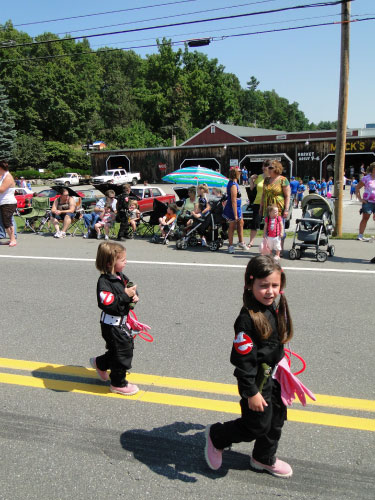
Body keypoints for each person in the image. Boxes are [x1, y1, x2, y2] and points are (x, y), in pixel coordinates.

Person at [204, 255, 293, 478]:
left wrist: (282, 365)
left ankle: (263, 458)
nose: (270, 291)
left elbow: (274, 345)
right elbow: (243, 362)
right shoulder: (247, 319)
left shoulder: (274, 307)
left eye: (275, 285)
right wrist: (251, 392)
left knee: (276, 419)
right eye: (263, 286)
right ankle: (217, 436)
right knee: (255, 425)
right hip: (255, 381)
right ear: (249, 284)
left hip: (273, 377)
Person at [91, 242, 139, 396]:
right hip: (111, 325)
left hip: (121, 322)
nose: (126, 262)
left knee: (117, 350)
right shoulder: (104, 283)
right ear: (110, 262)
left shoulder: (120, 277)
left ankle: (100, 363)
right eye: (123, 260)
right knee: (123, 352)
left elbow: (129, 290)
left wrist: (134, 297)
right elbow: (109, 304)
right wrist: (126, 296)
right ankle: (118, 383)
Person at [260, 160, 290, 251]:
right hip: (268, 208)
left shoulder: (283, 180)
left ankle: (279, 249)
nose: (268, 169)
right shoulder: (266, 179)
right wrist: (261, 207)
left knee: (279, 228)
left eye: (271, 168)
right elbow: (263, 194)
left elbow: (287, 195)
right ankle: (268, 248)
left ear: (276, 168)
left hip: (279, 208)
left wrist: (286, 209)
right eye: (268, 167)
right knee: (269, 227)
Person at [247, 160, 270, 249]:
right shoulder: (259, 177)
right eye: (263, 166)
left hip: (269, 203)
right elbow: (252, 188)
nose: (264, 168)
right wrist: (251, 179)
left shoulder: (272, 177)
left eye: (266, 166)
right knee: (255, 222)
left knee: (268, 224)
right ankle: (251, 242)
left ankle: (267, 242)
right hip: (258, 202)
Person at [223, 167, 247, 254]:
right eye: (239, 172)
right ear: (235, 173)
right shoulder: (233, 184)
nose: (240, 173)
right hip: (233, 208)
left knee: (241, 224)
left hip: (238, 207)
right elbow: (233, 201)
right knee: (232, 226)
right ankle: (230, 245)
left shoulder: (236, 183)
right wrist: (236, 214)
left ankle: (241, 241)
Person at [355, 162, 375, 241]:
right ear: (372, 169)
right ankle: (360, 235)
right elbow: (357, 188)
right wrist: (360, 199)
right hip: (368, 202)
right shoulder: (366, 178)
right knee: (365, 218)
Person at [0, 160, 17, 247]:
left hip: (8, 203)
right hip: (4, 202)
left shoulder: (8, 177)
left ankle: (13, 239)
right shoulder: (3, 175)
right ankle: (11, 238)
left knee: (7, 222)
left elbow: (1, 190)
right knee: (6, 221)